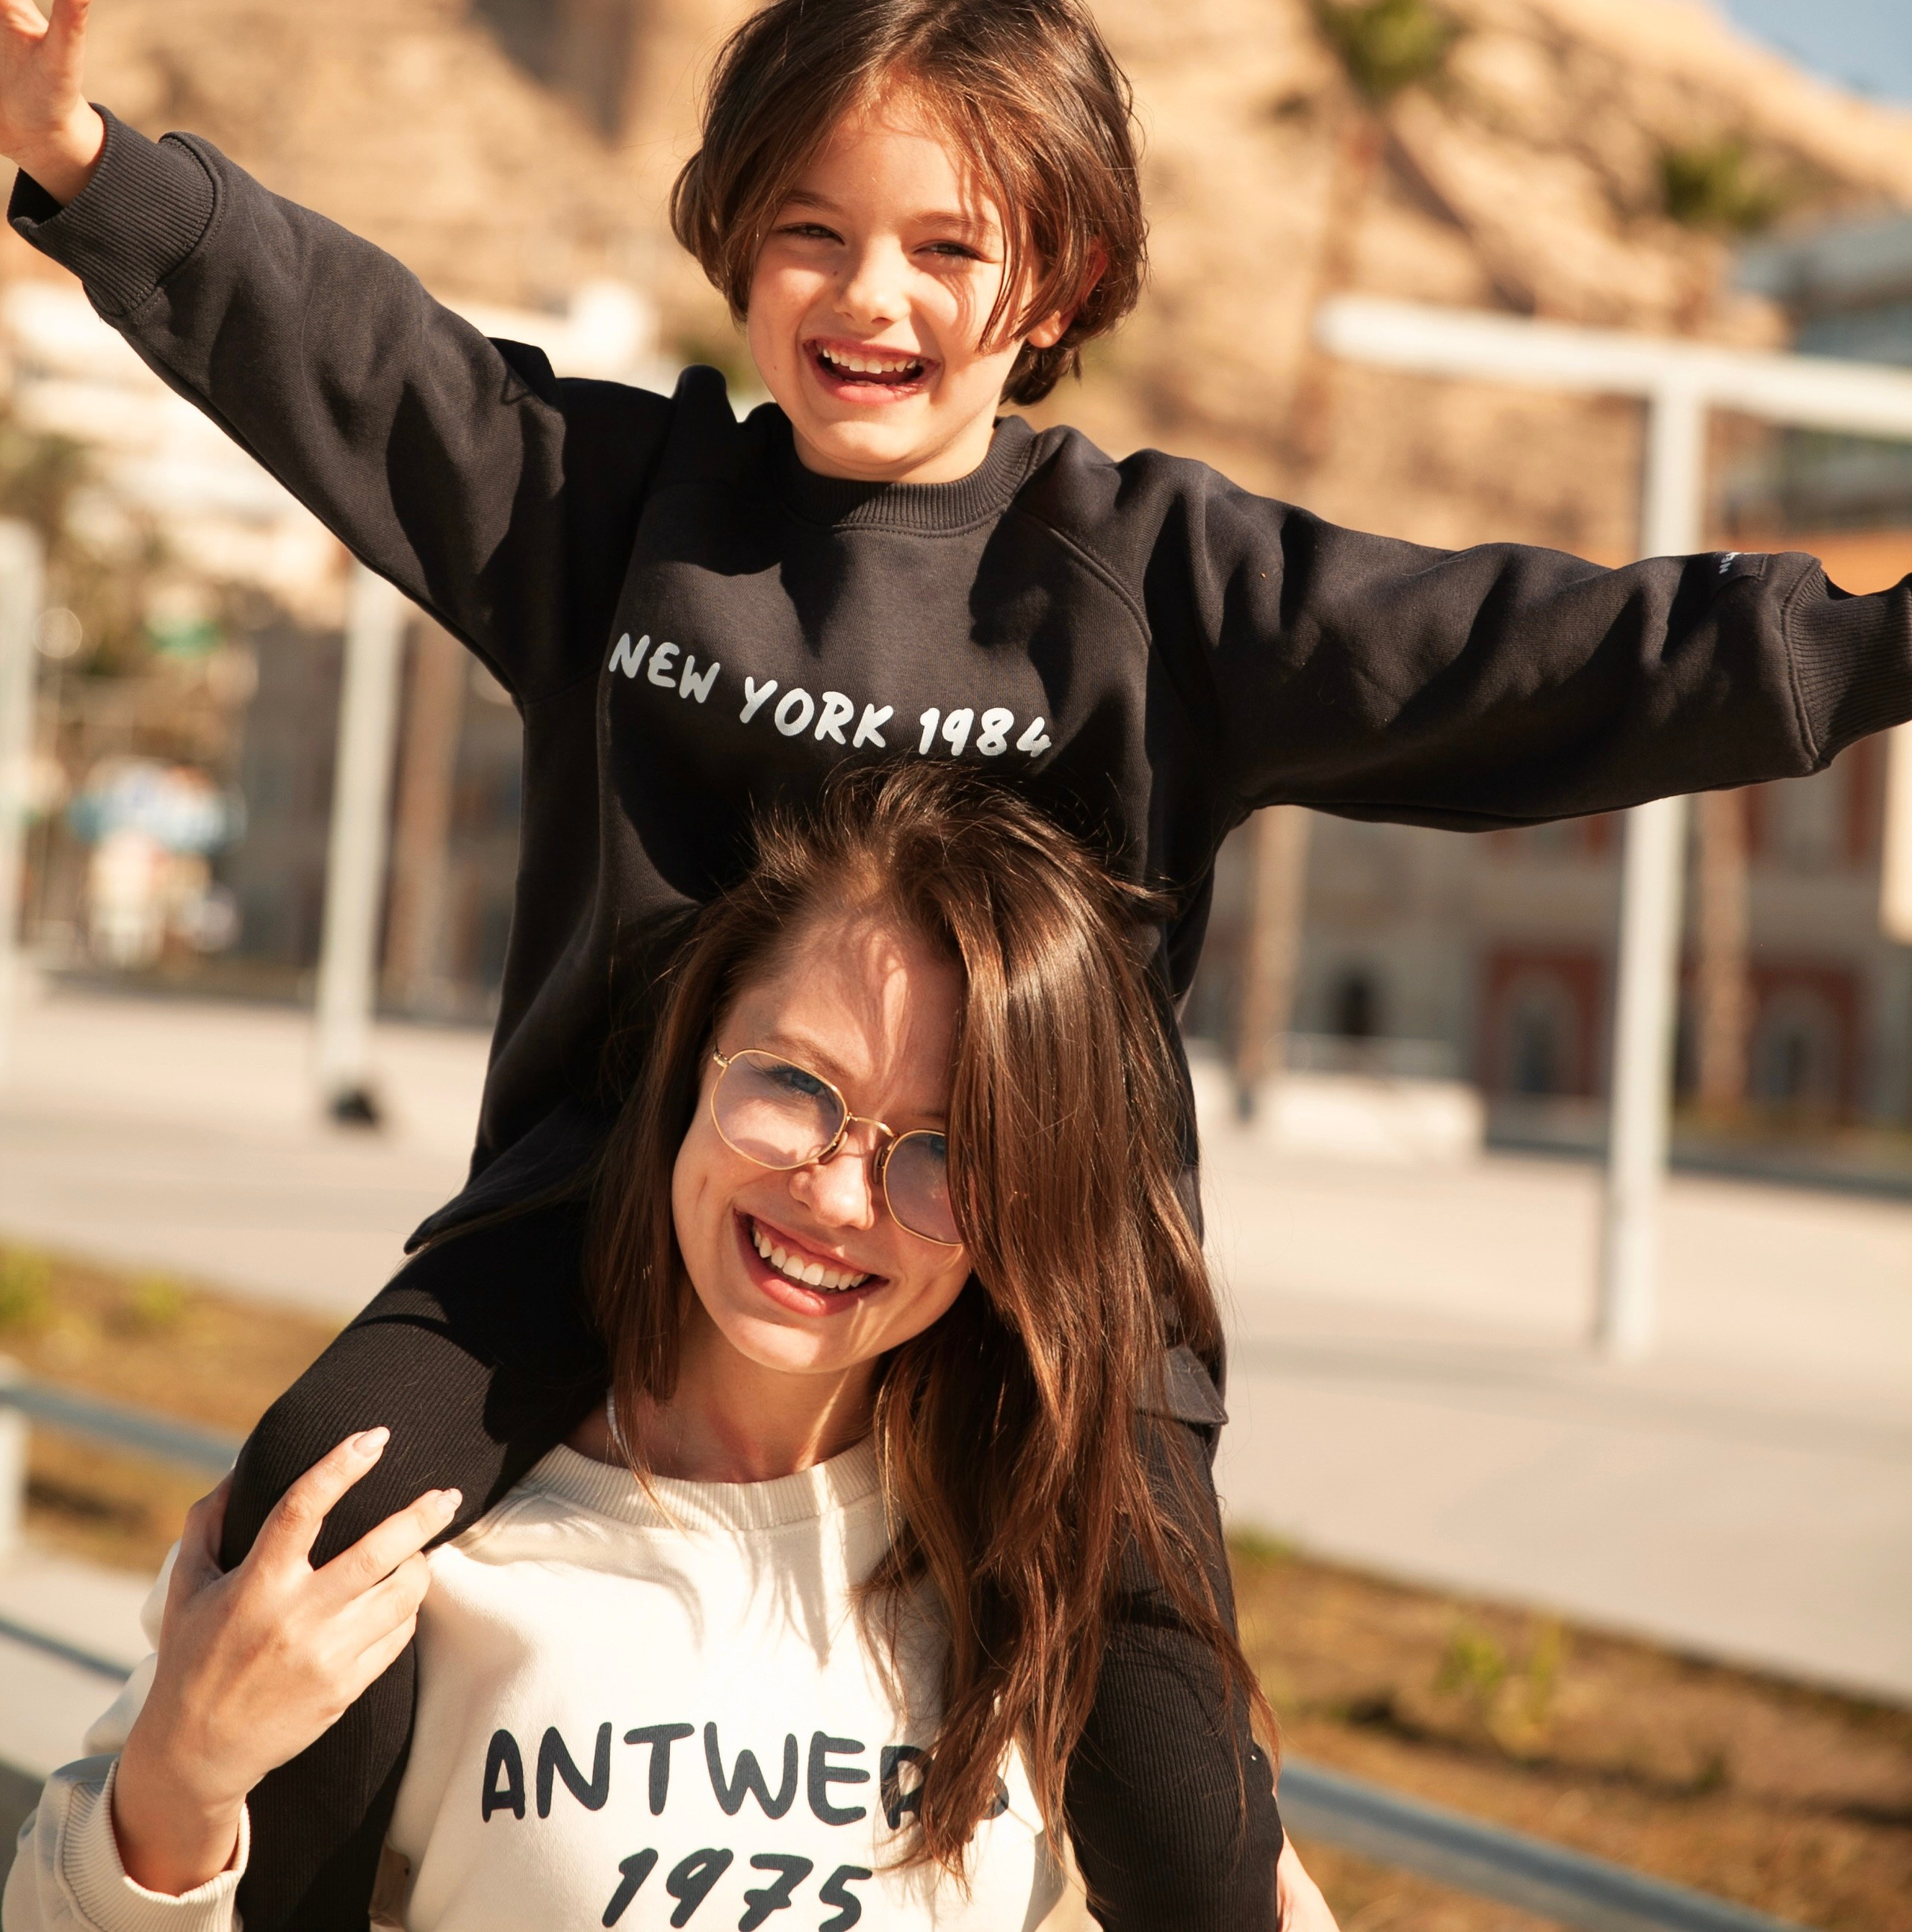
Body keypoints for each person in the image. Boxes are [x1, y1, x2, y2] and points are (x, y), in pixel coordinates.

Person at [3, 0, 1908, 1930]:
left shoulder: (1157, 581)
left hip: (1046, 1265)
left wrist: (1871, 648)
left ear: (1058, 284)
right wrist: (89, 168)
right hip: (615, 1207)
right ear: (735, 239)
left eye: (945, 249)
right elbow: (368, 362)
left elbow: (1527, 648)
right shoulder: (621, 514)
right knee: (312, 1513)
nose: (868, 296)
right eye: (811, 234)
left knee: (1180, 1798)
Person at [6, 768, 1339, 1931]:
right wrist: (178, 1784)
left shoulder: (1049, 1576)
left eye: (946, 1155)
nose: (836, 1195)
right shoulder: (416, 1540)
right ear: (693, 1056)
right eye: (794, 1085)